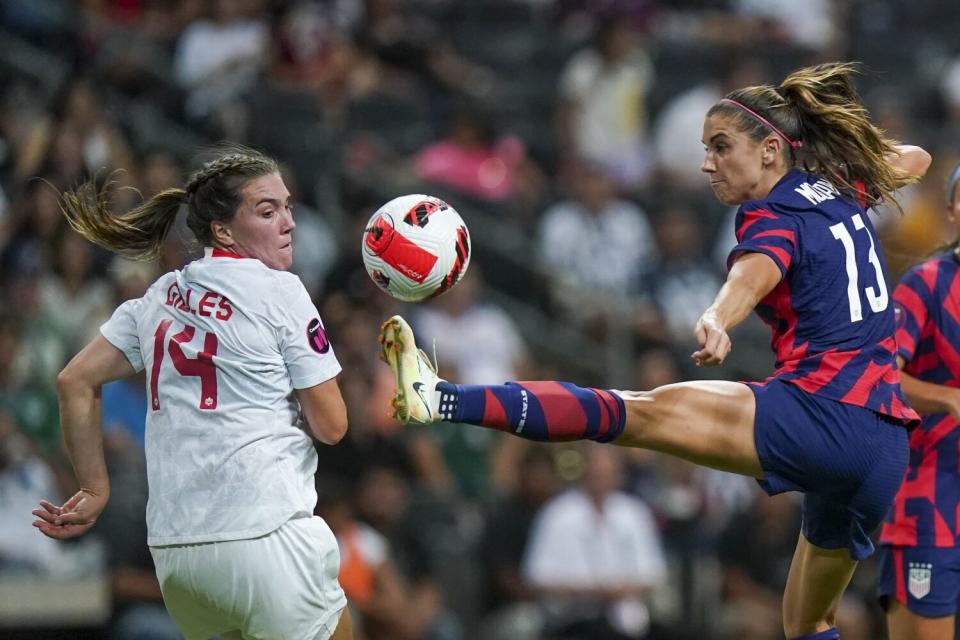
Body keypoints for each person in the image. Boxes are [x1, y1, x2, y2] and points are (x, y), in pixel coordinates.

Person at [379, 62, 932, 640]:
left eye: (721, 147)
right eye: (704, 148)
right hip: (884, 444)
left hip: (823, 414)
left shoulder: (773, 212)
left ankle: (441, 398)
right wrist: (856, 165)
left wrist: (719, 316)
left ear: (771, 150)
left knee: (628, 412)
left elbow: (754, 273)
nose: (706, 163)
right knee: (807, 622)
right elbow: (915, 159)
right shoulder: (839, 190)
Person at [31, 145, 354, 640]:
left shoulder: (158, 295)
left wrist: (94, 488)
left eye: (288, 206)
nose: (289, 222)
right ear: (223, 230)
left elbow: (74, 380)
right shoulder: (280, 291)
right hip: (265, 538)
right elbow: (332, 427)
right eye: (267, 211)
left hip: (180, 562)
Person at [875, 162, 960, 640]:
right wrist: (948, 397)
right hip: (931, 501)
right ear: (950, 211)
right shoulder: (925, 284)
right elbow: (883, 375)